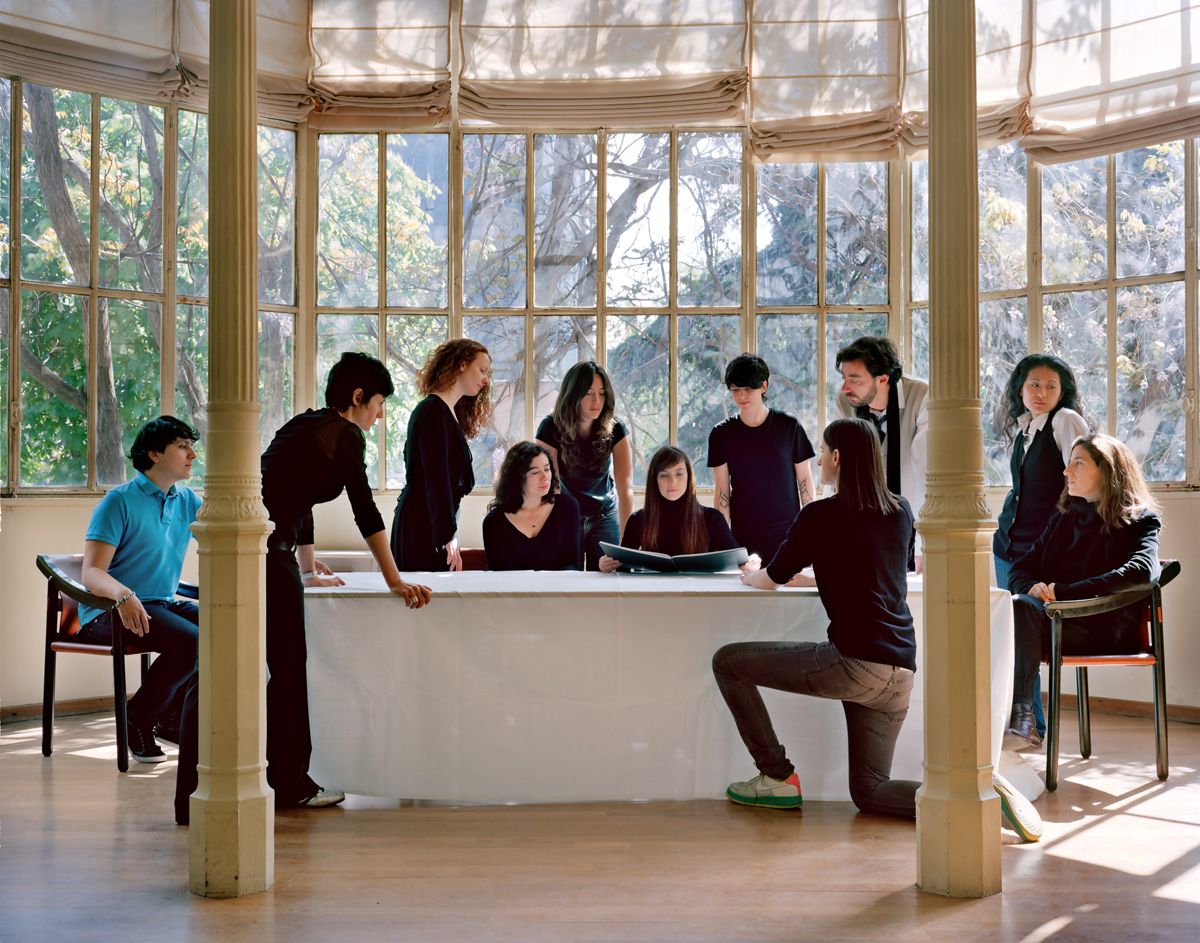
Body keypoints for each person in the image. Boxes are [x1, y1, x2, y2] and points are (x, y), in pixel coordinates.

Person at [175, 353, 434, 823]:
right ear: (358, 397)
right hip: (265, 555)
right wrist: (394, 579)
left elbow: (295, 497)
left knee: (215, 668)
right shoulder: (346, 436)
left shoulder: (306, 425)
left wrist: (308, 567)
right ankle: (291, 784)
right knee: (289, 671)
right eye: (379, 404)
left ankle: (192, 797)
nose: (380, 415)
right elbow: (365, 510)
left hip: (242, 552)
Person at [713, 418, 919, 818]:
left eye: (822, 452)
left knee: (728, 663)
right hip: (900, 672)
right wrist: (814, 576)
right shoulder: (900, 510)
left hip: (854, 664)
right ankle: (971, 795)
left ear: (837, 457)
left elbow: (772, 577)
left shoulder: (820, 515)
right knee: (871, 791)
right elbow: (879, 566)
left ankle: (776, 776)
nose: (819, 460)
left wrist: (750, 574)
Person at [1005, 434, 1161, 747]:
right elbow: (1019, 568)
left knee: (1015, 614)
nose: (1066, 471)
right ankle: (1009, 720)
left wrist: (1063, 592)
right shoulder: (1064, 517)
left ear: (1107, 469)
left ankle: (1019, 718)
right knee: (1006, 610)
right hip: (1059, 621)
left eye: (1078, 463)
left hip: (1105, 627)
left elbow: (1143, 571)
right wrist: (1033, 586)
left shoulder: (1141, 520)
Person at [79, 416, 202, 764]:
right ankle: (139, 717)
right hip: (107, 612)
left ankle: (169, 718)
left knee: (222, 629)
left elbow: (226, 538)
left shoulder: (187, 500)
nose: (192, 454)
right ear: (154, 454)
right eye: (182, 446)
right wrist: (124, 595)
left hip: (161, 604)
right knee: (192, 641)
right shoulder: (118, 501)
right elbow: (91, 572)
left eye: (191, 446)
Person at [993, 354, 1088, 739]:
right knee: (1013, 631)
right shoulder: (1025, 428)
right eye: (1034, 384)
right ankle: (1028, 723)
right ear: (1020, 388)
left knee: (1027, 627)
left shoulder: (1065, 421)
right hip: (1008, 546)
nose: (1041, 393)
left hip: (1041, 549)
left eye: (1051, 386)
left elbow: (1081, 484)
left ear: (1062, 392)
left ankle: (1030, 721)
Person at [391, 339, 492, 572]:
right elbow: (436, 480)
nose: (486, 379)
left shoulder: (446, 412)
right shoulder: (432, 411)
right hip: (422, 527)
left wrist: (450, 532)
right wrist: (448, 535)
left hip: (430, 524)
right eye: (482, 370)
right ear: (462, 364)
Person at [708, 353, 815, 564]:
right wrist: (723, 540)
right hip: (744, 533)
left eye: (748, 389)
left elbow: (805, 480)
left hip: (787, 531)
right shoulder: (721, 434)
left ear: (764, 386)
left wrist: (809, 529)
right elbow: (722, 491)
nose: (741, 396)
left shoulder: (789, 426)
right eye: (735, 390)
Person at [835, 336, 927, 571]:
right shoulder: (845, 401)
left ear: (883, 378)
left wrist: (922, 545)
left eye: (854, 379)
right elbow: (839, 467)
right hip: (862, 520)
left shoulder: (920, 396)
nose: (845, 388)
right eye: (844, 377)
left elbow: (926, 472)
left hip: (909, 522)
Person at [536, 361, 634, 570]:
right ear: (573, 394)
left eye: (602, 393)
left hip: (605, 514)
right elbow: (551, 486)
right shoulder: (549, 427)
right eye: (589, 393)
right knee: (569, 578)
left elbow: (625, 487)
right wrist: (553, 531)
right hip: (568, 514)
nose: (597, 401)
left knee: (611, 576)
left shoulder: (616, 428)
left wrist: (627, 541)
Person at [599, 446, 737, 571]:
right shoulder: (638, 520)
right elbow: (622, 566)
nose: (672, 482)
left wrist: (747, 562)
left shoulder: (713, 518)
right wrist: (606, 564)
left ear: (689, 477)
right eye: (664, 475)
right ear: (655, 480)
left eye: (679, 473)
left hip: (700, 590)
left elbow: (737, 559)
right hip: (654, 590)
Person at [483, 441, 582, 571]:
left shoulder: (567, 507)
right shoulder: (494, 522)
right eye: (535, 472)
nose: (545, 477)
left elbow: (573, 564)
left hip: (558, 584)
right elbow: (500, 575)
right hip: (513, 585)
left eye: (547, 469)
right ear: (517, 477)